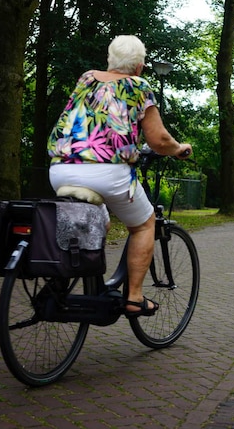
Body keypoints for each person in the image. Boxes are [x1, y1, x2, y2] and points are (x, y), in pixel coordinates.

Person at [47, 35, 192, 318]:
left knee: (98, 220)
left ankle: (73, 280)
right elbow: (159, 139)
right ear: (139, 67)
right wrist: (178, 150)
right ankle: (135, 298)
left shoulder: (86, 78)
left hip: (61, 168)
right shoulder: (138, 85)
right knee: (143, 224)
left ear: (110, 60)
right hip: (107, 171)